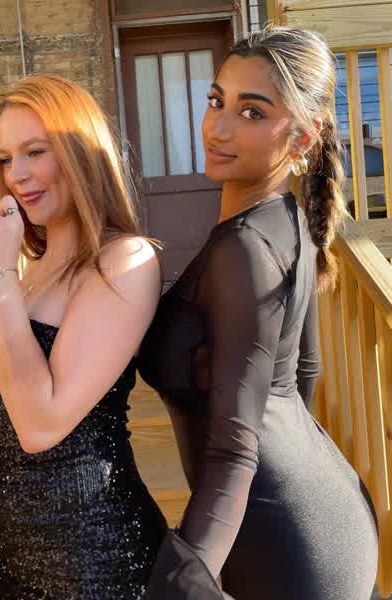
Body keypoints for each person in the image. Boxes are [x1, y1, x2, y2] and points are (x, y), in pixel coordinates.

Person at [139, 26, 378, 600]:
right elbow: (303, 376)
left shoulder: (245, 248)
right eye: (216, 100)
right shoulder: (288, 219)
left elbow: (232, 449)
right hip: (326, 514)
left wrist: (183, 581)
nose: (217, 128)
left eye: (252, 112)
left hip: (284, 544)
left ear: (302, 138)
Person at [0, 74, 167, 599]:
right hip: (15, 558)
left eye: (35, 152)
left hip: (96, 561)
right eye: (5, 159)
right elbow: (18, 399)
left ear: (79, 152)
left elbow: (42, 426)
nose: (17, 174)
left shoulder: (124, 261)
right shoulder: (33, 268)